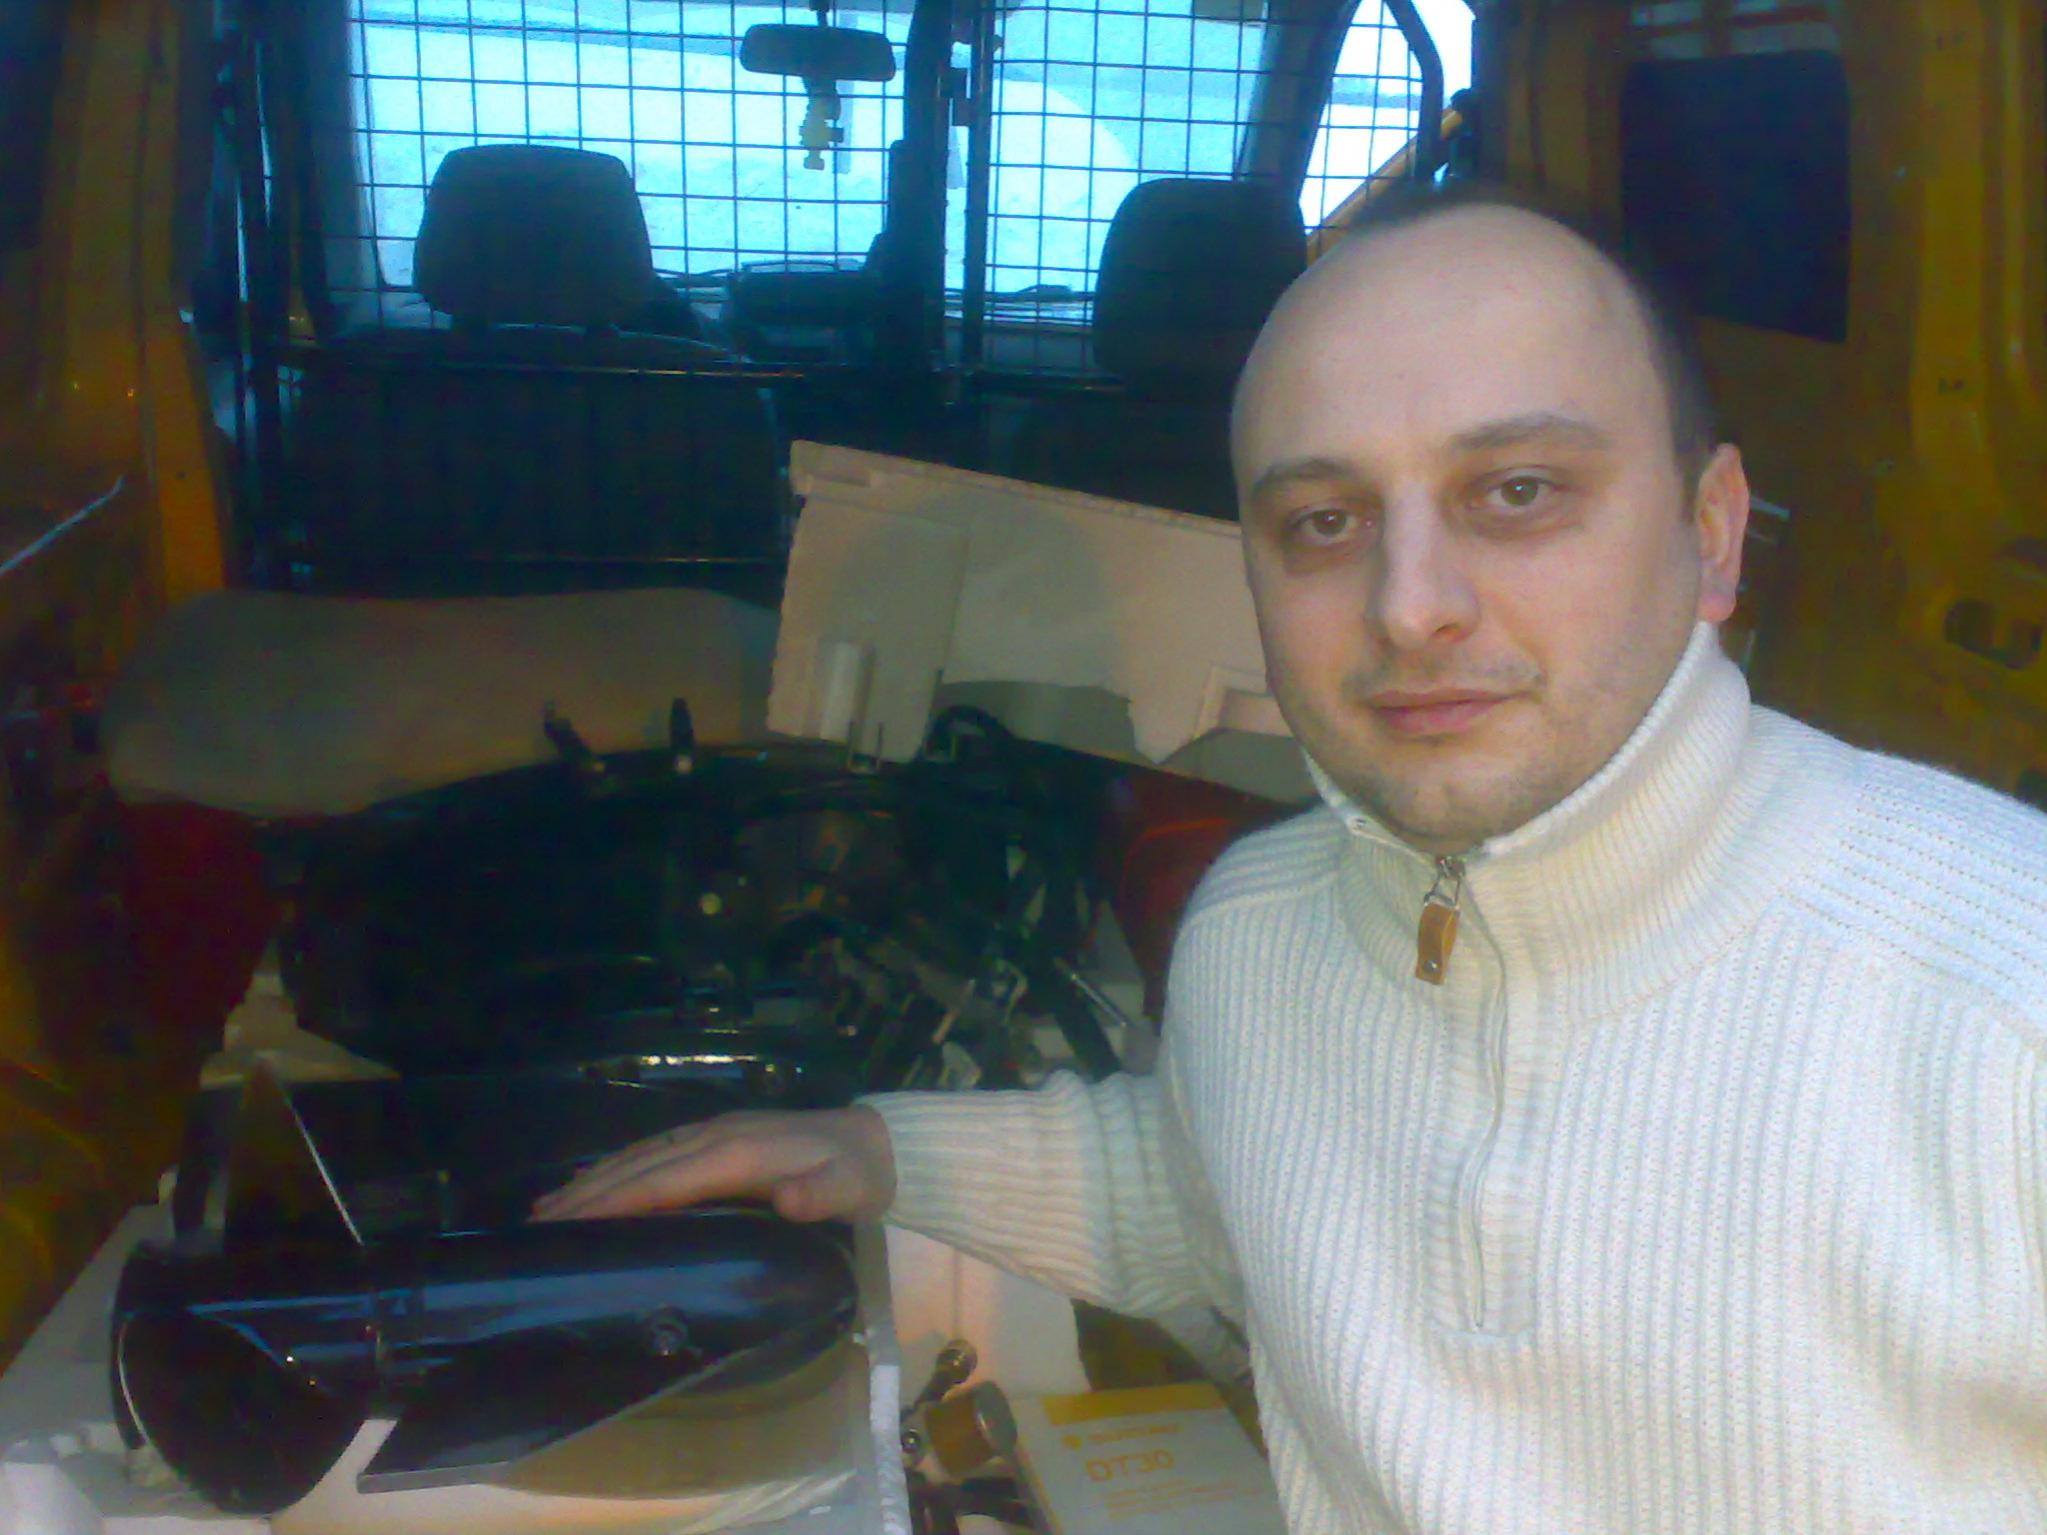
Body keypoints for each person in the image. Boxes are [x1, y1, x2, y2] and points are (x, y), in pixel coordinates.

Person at [535, 183, 2047, 1532]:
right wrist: (878, 1152)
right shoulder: (1258, 934)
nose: (1409, 606)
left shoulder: (2006, 1002)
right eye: (1324, 522)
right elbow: (1217, 1185)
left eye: (1517, 492)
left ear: (1713, 532)